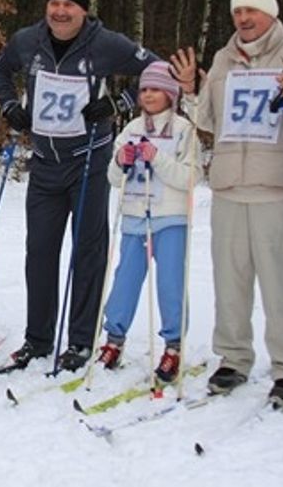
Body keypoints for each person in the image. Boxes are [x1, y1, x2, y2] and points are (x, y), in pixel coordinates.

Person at [171, 0, 283, 406]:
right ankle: (233, 358)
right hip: (230, 186)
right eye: (237, 12)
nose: (243, 19)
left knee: (281, 282)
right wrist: (191, 90)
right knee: (230, 281)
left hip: (279, 187)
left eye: (251, 11)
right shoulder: (223, 59)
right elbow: (208, 121)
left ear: (270, 12)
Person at [0, 0, 158, 371]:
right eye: (55, 4)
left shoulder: (105, 44)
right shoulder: (28, 41)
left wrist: (119, 103)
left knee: (87, 253)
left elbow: (156, 69)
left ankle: (81, 341)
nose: (60, 12)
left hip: (87, 163)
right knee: (40, 254)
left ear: (84, 10)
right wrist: (10, 106)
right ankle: (38, 339)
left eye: (69, 6)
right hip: (45, 164)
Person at [98, 60, 200, 382]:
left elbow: (189, 177)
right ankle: (114, 340)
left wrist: (157, 157)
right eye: (143, 89)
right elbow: (114, 177)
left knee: (170, 283)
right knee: (125, 281)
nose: (148, 95)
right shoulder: (131, 128)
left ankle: (173, 346)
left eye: (156, 88)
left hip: (170, 218)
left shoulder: (184, 129)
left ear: (171, 93)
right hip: (133, 217)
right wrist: (120, 160)